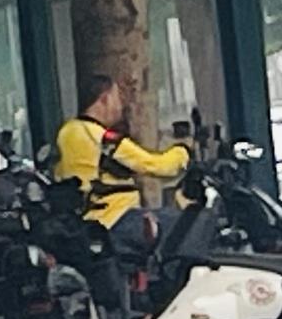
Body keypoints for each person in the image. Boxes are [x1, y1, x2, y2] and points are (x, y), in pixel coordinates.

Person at [54, 74, 190, 256]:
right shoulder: (101, 137)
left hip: (82, 223)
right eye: (117, 99)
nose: (120, 107)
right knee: (187, 224)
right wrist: (183, 151)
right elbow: (155, 165)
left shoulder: (66, 131)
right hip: (115, 218)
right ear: (104, 99)